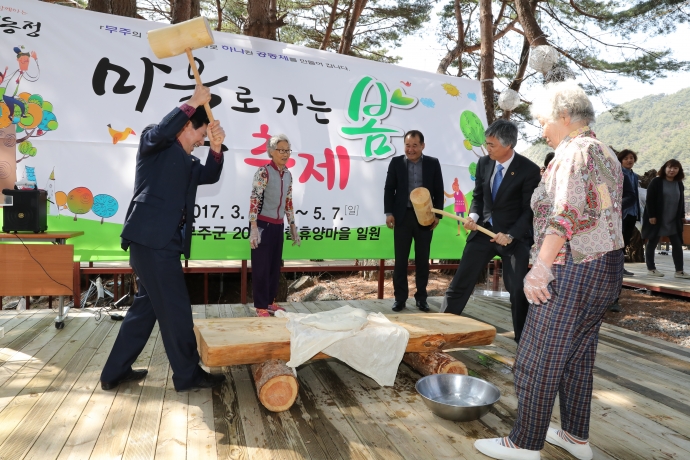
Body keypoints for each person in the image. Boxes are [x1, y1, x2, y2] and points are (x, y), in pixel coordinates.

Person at [475, 80, 624, 460]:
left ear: (563, 116)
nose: (541, 129)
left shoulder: (573, 152)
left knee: (537, 356)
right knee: (577, 356)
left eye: (543, 121)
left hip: (571, 267)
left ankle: (525, 443)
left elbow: (565, 214)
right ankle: (575, 436)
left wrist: (540, 268)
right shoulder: (605, 152)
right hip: (605, 268)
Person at [100, 85, 227, 392]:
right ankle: (187, 375)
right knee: (177, 310)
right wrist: (193, 103)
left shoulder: (189, 163)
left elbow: (210, 175)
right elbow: (160, 132)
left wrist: (216, 148)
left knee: (146, 310)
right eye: (200, 136)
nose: (200, 141)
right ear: (186, 127)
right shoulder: (155, 144)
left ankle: (113, 372)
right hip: (151, 241)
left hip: (163, 244)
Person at [441, 119, 540, 344]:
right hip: (483, 231)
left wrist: (511, 234)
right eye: (486, 143)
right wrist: (473, 217)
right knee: (460, 282)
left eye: (492, 144)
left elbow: (529, 210)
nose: (487, 148)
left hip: (513, 238)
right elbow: (478, 198)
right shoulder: (484, 163)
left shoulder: (529, 170)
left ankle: (523, 340)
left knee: (517, 289)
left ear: (508, 145)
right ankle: (443, 329)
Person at [384, 130, 444, 312]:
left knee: (422, 260)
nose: (410, 149)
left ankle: (421, 299)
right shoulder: (396, 163)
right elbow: (389, 189)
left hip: (425, 218)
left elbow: (439, 190)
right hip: (402, 217)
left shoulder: (433, 164)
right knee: (400, 261)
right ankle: (400, 299)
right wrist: (389, 213)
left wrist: (438, 216)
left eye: (415, 145)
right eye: (407, 145)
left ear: (422, 146)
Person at [249, 134, 301, 317]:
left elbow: (288, 202)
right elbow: (255, 199)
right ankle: (260, 306)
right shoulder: (263, 172)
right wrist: (253, 227)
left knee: (273, 266)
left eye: (288, 150)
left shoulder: (288, 174)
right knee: (261, 267)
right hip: (262, 224)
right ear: (271, 152)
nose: (285, 154)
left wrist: (293, 227)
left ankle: (270, 302)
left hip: (278, 226)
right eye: (281, 150)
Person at [641, 159, 690, 279]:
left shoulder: (679, 183)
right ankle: (651, 269)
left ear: (679, 170)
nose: (672, 170)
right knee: (652, 243)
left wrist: (682, 216)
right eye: (669, 167)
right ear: (664, 168)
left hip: (673, 219)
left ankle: (679, 271)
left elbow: (681, 201)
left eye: (675, 168)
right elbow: (650, 200)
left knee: (677, 244)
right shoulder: (656, 181)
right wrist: (652, 215)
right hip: (658, 219)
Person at [609, 149, 642, 312]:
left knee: (623, 244)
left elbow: (632, 195)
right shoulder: (616, 172)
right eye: (626, 158)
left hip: (629, 213)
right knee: (615, 247)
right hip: (617, 215)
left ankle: (620, 267)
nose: (629, 160)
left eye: (632, 158)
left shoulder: (633, 176)